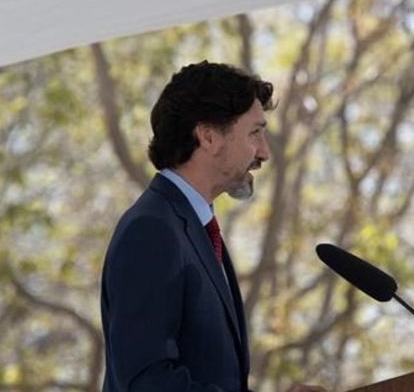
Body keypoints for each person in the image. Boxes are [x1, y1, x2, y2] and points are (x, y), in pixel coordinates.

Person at [100, 61, 326, 392]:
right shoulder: (151, 231)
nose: (264, 152)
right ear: (208, 136)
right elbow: (146, 382)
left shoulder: (195, 228)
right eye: (255, 133)